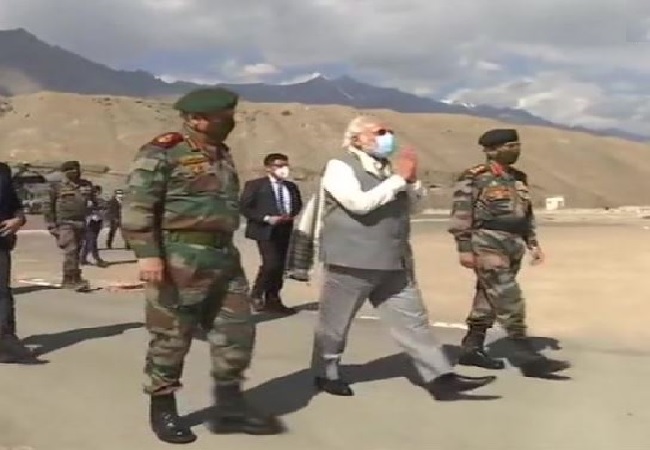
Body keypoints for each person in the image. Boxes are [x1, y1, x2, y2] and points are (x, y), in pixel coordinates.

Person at [121, 87, 284, 445]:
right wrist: (147, 254)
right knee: (172, 338)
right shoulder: (163, 151)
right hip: (179, 258)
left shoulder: (222, 153)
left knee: (237, 333)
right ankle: (163, 406)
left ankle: (230, 400)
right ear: (196, 119)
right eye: (222, 117)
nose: (230, 122)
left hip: (224, 257)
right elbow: (137, 205)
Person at [308, 116, 496, 401]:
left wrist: (410, 181)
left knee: (413, 320)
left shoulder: (389, 170)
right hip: (351, 260)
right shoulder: (340, 166)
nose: (388, 138)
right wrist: (398, 179)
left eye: (390, 132)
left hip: (394, 260)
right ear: (357, 138)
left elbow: (415, 208)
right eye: (380, 132)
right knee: (336, 322)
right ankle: (327, 371)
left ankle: (440, 377)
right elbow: (358, 204)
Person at [448, 128, 570, 378]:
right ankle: (526, 356)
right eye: (510, 145)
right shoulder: (475, 177)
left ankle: (472, 347)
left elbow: (526, 215)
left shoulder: (518, 178)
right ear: (492, 150)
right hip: (486, 241)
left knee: (489, 295)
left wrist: (533, 243)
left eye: (517, 144)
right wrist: (464, 248)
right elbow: (461, 213)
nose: (516, 149)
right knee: (507, 294)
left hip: (513, 243)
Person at [240, 153, 303, 314]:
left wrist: (289, 215)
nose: (284, 169)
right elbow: (245, 207)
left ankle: (273, 299)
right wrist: (267, 218)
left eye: (286, 165)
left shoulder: (290, 187)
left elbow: (297, 204)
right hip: (265, 230)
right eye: (279, 165)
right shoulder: (255, 185)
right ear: (268, 168)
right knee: (271, 263)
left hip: (284, 229)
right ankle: (256, 294)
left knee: (280, 266)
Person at [0, 162, 37, 363]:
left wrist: (18, 220)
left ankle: (6, 343)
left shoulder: (3, 171)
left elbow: (14, 204)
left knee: (2, 293)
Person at [43, 160, 93, 292]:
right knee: (71, 250)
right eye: (71, 170)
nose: (75, 172)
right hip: (65, 223)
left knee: (77, 251)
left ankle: (74, 277)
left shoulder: (86, 184)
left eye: (77, 169)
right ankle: (70, 279)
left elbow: (93, 200)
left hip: (81, 222)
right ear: (65, 172)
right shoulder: (57, 186)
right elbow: (48, 206)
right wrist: (51, 225)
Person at [81, 185, 108, 267]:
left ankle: (82, 258)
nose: (97, 193)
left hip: (97, 221)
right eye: (96, 192)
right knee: (92, 241)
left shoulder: (98, 200)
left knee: (90, 241)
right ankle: (96, 259)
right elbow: (87, 210)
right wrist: (97, 208)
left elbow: (104, 209)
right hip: (90, 221)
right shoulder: (88, 200)